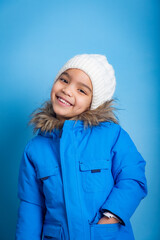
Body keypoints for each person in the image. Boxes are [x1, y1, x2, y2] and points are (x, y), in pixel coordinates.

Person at [15, 54, 147, 240]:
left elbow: (133, 178)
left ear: (94, 103)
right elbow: (31, 205)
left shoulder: (112, 135)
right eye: (64, 80)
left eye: (82, 91)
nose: (67, 90)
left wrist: (110, 217)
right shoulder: (35, 148)